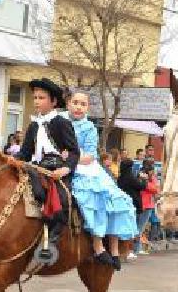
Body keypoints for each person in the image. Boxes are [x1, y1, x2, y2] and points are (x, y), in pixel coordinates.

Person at [64, 91, 139, 269]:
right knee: (93, 200)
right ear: (68, 104)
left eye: (82, 104)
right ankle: (98, 245)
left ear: (87, 108)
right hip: (69, 166)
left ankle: (114, 248)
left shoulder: (89, 127)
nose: (78, 107)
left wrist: (72, 157)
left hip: (86, 167)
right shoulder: (60, 122)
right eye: (75, 102)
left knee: (116, 199)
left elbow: (89, 156)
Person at [15, 78, 79, 259]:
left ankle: (52, 239)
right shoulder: (34, 125)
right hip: (35, 168)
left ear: (53, 102)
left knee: (62, 200)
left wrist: (65, 169)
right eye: (35, 97)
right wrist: (13, 160)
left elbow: (74, 152)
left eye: (41, 98)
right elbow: (25, 153)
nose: (36, 101)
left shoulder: (61, 122)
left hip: (56, 169)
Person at [116, 158, 146, 261]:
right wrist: (143, 179)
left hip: (122, 206)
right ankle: (129, 251)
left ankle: (122, 251)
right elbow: (142, 186)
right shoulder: (130, 178)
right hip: (133, 206)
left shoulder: (120, 178)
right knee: (133, 229)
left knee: (123, 229)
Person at [136, 159, 159, 255]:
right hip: (145, 204)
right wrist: (146, 183)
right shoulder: (143, 176)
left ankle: (137, 247)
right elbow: (154, 188)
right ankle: (136, 249)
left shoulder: (142, 175)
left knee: (140, 227)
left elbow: (156, 188)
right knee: (139, 228)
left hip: (145, 203)